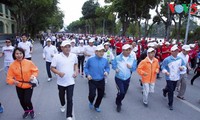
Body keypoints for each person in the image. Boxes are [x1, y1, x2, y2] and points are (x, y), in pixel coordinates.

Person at [6, 47, 39, 119]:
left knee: (27, 100)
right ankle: (26, 111)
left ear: (23, 54)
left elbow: (35, 70)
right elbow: (9, 78)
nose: (19, 55)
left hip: (28, 84)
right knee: (21, 100)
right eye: (17, 53)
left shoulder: (29, 62)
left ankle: (31, 110)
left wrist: (33, 76)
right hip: (19, 85)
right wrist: (13, 81)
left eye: (20, 53)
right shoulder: (12, 65)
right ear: (14, 55)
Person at [51, 40, 78, 120]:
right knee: (61, 96)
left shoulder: (74, 56)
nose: (67, 48)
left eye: (69, 46)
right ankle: (62, 104)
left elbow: (76, 64)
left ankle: (69, 116)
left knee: (70, 98)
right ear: (61, 48)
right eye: (65, 47)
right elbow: (52, 68)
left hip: (71, 81)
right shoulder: (57, 57)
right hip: (61, 82)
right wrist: (59, 73)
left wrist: (76, 71)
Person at [84, 45, 110, 112]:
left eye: (103, 51)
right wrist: (88, 74)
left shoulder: (105, 60)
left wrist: (107, 72)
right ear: (96, 52)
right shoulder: (90, 59)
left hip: (101, 80)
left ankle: (97, 106)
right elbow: (86, 68)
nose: (101, 53)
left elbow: (107, 67)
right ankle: (91, 101)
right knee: (92, 95)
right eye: (100, 51)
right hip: (92, 79)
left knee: (100, 95)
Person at [112, 44, 137, 112]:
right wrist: (116, 68)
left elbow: (134, 68)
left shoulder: (132, 58)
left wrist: (131, 67)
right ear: (123, 51)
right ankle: (118, 103)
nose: (128, 51)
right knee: (122, 92)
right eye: (126, 50)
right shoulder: (117, 58)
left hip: (127, 78)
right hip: (119, 78)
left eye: (129, 50)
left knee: (123, 93)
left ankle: (119, 97)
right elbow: (113, 64)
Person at [162, 45, 186, 110]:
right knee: (171, 91)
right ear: (171, 52)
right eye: (174, 51)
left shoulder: (180, 59)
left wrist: (182, 67)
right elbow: (162, 67)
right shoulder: (167, 59)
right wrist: (166, 72)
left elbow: (184, 65)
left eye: (177, 51)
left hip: (176, 77)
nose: (176, 52)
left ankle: (165, 90)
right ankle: (170, 104)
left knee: (172, 89)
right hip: (169, 77)